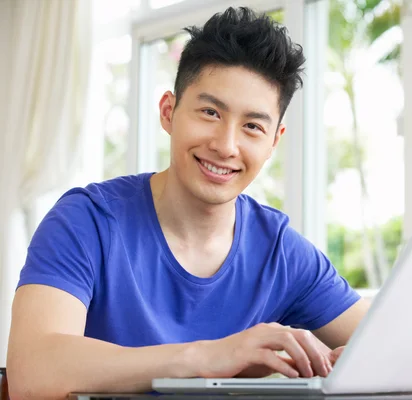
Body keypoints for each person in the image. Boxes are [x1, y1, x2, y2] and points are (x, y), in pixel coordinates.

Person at [6, 6, 369, 400]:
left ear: (273, 141)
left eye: (252, 126)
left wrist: (358, 363)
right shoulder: (86, 221)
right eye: (210, 112)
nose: (226, 145)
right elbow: (32, 372)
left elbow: (398, 346)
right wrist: (209, 358)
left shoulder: (281, 253)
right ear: (168, 112)